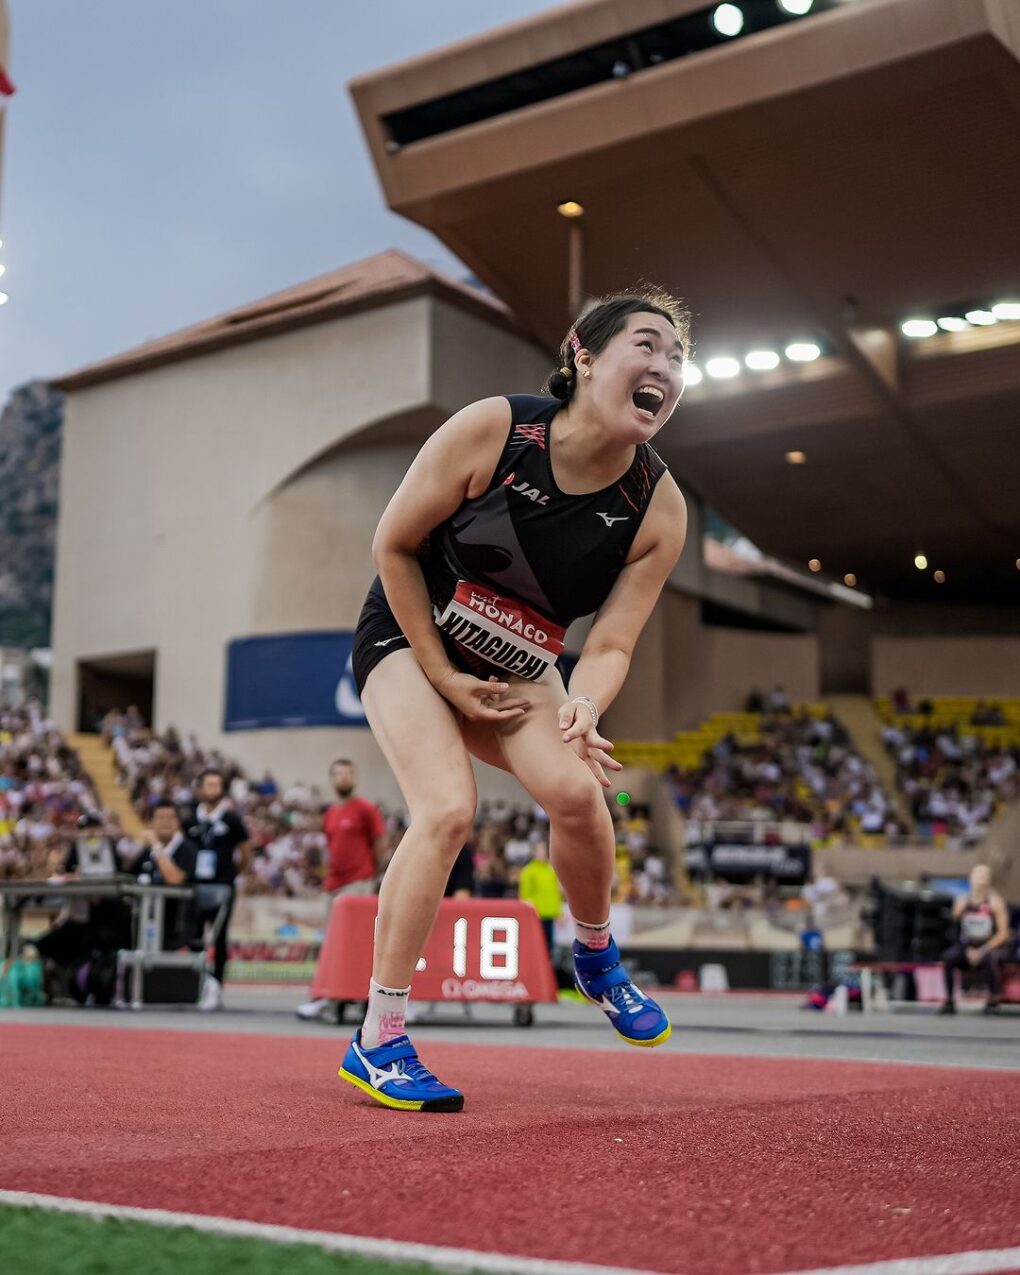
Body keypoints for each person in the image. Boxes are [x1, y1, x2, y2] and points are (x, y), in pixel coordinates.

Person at [336, 289, 690, 1112]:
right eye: (648, 346)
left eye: (678, 360)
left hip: (521, 660)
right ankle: (378, 1037)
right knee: (448, 811)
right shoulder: (494, 431)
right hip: (408, 631)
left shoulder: (658, 507)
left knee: (579, 792)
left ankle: (596, 957)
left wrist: (586, 707)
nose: (665, 369)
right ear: (584, 355)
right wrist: (444, 673)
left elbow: (608, 643)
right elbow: (392, 543)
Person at [296, 759, 387, 1022]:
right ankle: (329, 996)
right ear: (332, 778)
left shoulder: (366, 809)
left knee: (358, 943)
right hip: (333, 886)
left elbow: (379, 844)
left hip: (358, 882)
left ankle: (360, 998)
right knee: (333, 943)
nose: (344, 778)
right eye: (339, 773)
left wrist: (371, 876)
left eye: (348, 773)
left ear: (355, 777)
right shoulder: (331, 813)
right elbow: (331, 849)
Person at [186, 768, 250, 1011]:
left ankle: (216, 985)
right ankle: (195, 983)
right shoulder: (191, 818)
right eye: (208, 784)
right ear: (200, 788)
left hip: (222, 885)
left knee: (219, 937)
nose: (212, 789)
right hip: (196, 885)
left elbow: (245, 853)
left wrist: (231, 873)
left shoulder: (232, 819)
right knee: (193, 934)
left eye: (217, 784)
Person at [939, 864, 1012, 1014]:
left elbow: (1003, 933)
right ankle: (949, 1001)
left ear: (989, 880)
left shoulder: (995, 903)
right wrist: (966, 949)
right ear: (970, 879)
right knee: (948, 957)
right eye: (978, 875)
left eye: (985, 876)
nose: (981, 879)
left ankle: (993, 1000)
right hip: (968, 945)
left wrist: (982, 950)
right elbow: (955, 930)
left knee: (990, 958)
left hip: (991, 945)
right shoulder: (961, 903)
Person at [133, 800, 199, 950]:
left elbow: (174, 880)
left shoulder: (188, 849)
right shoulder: (145, 852)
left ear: (178, 823)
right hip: (146, 919)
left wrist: (156, 846)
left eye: (171, 817)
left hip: (176, 925)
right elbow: (130, 877)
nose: (166, 822)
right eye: (160, 818)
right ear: (151, 823)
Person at [517, 839, 563, 954]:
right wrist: (528, 912)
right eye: (539, 850)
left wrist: (558, 912)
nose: (542, 852)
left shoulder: (550, 869)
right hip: (536, 914)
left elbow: (555, 892)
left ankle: (547, 970)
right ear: (534, 852)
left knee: (549, 946)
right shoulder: (529, 871)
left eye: (543, 850)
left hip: (550, 913)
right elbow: (525, 895)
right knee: (537, 946)